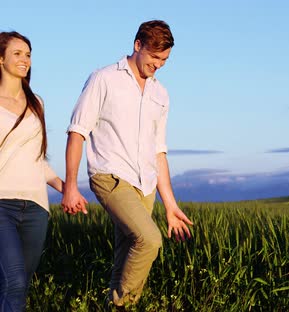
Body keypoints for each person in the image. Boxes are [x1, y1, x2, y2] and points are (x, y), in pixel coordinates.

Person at [61, 20, 194, 309]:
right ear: (137, 46)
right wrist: (70, 186)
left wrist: (170, 205)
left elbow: (159, 152)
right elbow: (77, 131)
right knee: (150, 240)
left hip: (145, 183)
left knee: (126, 254)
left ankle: (111, 303)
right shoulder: (104, 78)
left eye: (165, 60)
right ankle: (123, 306)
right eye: (154, 57)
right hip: (109, 176)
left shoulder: (161, 94)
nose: (159, 65)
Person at [0, 31, 72, 312]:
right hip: (1, 203)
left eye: (28, 54)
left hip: (35, 207)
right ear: (1, 58)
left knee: (17, 284)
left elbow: (37, 158)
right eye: (17, 53)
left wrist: (65, 187)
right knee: (14, 282)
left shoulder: (36, 103)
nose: (24, 60)